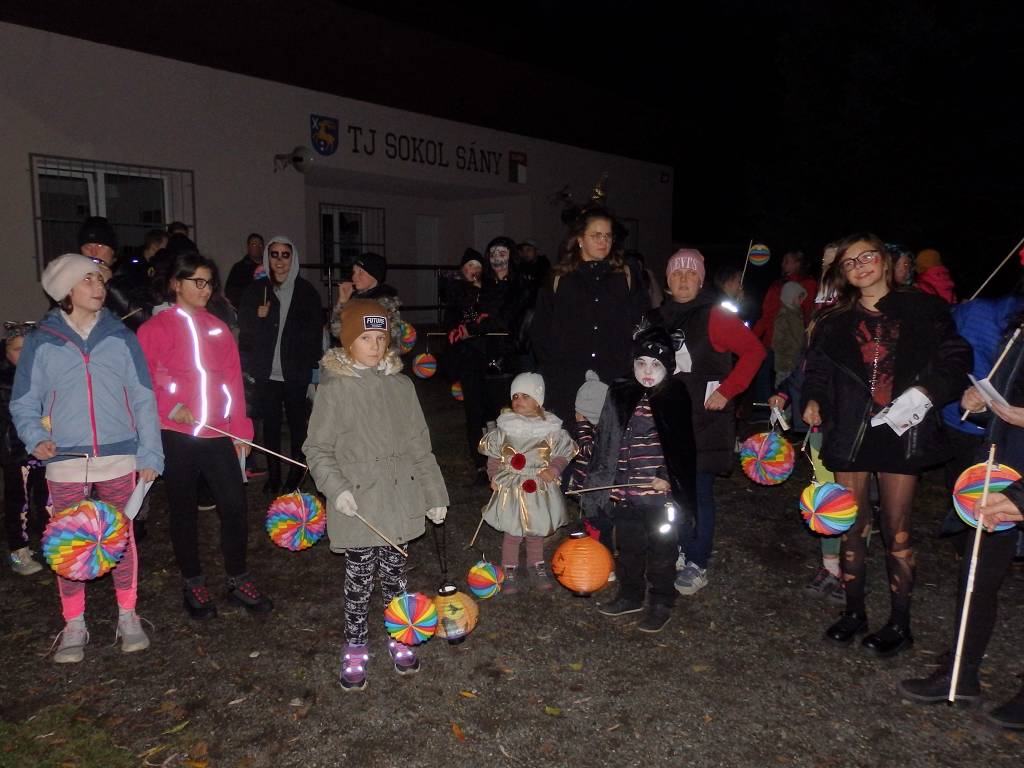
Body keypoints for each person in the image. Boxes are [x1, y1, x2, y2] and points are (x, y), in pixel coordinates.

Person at [801, 232, 971, 656]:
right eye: (849, 263)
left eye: (866, 257)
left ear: (884, 260)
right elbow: (817, 372)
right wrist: (813, 400)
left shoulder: (924, 309)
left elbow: (956, 358)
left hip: (901, 432)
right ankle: (853, 612)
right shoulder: (832, 321)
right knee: (851, 527)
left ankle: (899, 623)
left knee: (897, 530)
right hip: (850, 433)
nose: (859, 266)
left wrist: (929, 391)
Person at [11, 254, 163, 662]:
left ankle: (127, 615)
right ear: (65, 291)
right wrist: (36, 437)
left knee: (121, 538)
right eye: (88, 280)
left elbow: (143, 397)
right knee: (69, 542)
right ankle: (74, 623)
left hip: (119, 456)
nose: (99, 287)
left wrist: (150, 451)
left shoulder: (121, 336)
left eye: (100, 279)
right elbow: (23, 401)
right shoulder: (42, 340)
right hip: (66, 459)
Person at [303, 299, 449, 692]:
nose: (374, 345)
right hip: (360, 505)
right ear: (349, 341)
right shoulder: (335, 390)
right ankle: (355, 646)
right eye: (365, 337)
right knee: (359, 582)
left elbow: (420, 446)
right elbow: (317, 449)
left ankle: (400, 636)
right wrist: (336, 490)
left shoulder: (401, 387)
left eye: (380, 338)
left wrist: (434, 493)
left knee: (396, 578)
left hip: (399, 500)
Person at [898, 306, 1024, 727]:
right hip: (1003, 470)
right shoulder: (1018, 326)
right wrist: (981, 403)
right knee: (976, 576)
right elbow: (1009, 394)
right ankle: (960, 674)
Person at [137, 251, 272, 620]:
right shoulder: (154, 329)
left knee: (234, 505)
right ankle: (193, 581)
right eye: (197, 281)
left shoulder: (218, 329)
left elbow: (232, 382)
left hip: (217, 433)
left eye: (209, 282)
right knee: (182, 509)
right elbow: (144, 380)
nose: (205, 288)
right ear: (175, 284)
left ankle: (238, 577)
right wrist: (170, 406)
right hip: (177, 435)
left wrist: (240, 429)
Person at [647, 249, 765, 594]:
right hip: (664, 418)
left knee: (697, 493)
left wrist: (728, 390)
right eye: (676, 273)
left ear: (700, 280)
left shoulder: (715, 316)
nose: (683, 279)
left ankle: (696, 562)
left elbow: (754, 352)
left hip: (703, 421)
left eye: (690, 274)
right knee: (670, 491)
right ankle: (680, 548)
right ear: (667, 281)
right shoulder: (657, 317)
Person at [583, 326, 697, 633]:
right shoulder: (621, 391)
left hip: (658, 497)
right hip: (626, 493)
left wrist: (666, 477)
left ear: (668, 366)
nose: (647, 371)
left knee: (662, 551)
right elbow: (609, 440)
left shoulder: (674, 395)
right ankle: (630, 594)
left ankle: (661, 601)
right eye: (641, 363)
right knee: (629, 548)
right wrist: (606, 477)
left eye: (655, 365)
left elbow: (682, 446)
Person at [531, 205, 649, 424]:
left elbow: (641, 323)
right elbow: (541, 328)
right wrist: (552, 368)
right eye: (596, 235)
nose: (603, 241)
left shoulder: (625, 276)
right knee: (571, 438)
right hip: (568, 380)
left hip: (615, 377)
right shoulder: (559, 278)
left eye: (608, 236)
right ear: (580, 239)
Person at [237, 236, 323, 494]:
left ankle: (296, 472)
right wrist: (258, 317)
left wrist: (309, 365)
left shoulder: (306, 291)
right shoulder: (257, 290)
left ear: (292, 258)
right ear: (267, 257)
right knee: (271, 424)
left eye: (285, 254)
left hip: (295, 371)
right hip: (267, 372)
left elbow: (314, 332)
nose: (280, 260)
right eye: (274, 254)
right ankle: (274, 473)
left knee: (297, 424)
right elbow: (245, 332)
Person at [478, 372, 576, 594]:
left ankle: (536, 564)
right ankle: (509, 568)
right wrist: (494, 476)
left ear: (538, 400)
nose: (518, 400)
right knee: (513, 530)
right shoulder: (506, 427)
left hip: (539, 486)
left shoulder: (551, 428)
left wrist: (554, 469)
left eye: (525, 396)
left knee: (536, 529)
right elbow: (494, 456)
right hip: (512, 486)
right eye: (515, 396)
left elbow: (563, 454)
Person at [1, 323, 47, 575]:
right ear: (6, 351)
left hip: (45, 448)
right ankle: (18, 549)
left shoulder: (45, 373)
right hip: (16, 451)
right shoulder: (5, 380)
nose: (24, 354)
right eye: (17, 349)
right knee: (18, 500)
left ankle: (52, 541)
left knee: (47, 497)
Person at [330, 252, 402, 347]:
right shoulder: (354, 299)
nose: (354, 277)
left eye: (360, 272)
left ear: (374, 275)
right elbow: (336, 331)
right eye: (354, 272)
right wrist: (343, 301)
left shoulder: (384, 302)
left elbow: (390, 337)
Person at [772, 281, 808, 389]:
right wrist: (790, 350)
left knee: (792, 390)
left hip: (795, 362)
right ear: (790, 297)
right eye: (798, 297)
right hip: (785, 363)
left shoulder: (797, 314)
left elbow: (799, 335)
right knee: (782, 387)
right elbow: (777, 342)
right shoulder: (784, 316)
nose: (801, 301)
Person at [225, 233, 265, 310]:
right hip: (247, 310)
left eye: (260, 245)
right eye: (254, 244)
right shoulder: (239, 268)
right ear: (248, 247)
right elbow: (230, 293)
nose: (258, 247)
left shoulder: (270, 267)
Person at [78, 216, 118, 280]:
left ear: (112, 251)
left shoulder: (129, 278)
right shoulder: (73, 278)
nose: (94, 253)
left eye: (100, 246)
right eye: (87, 247)